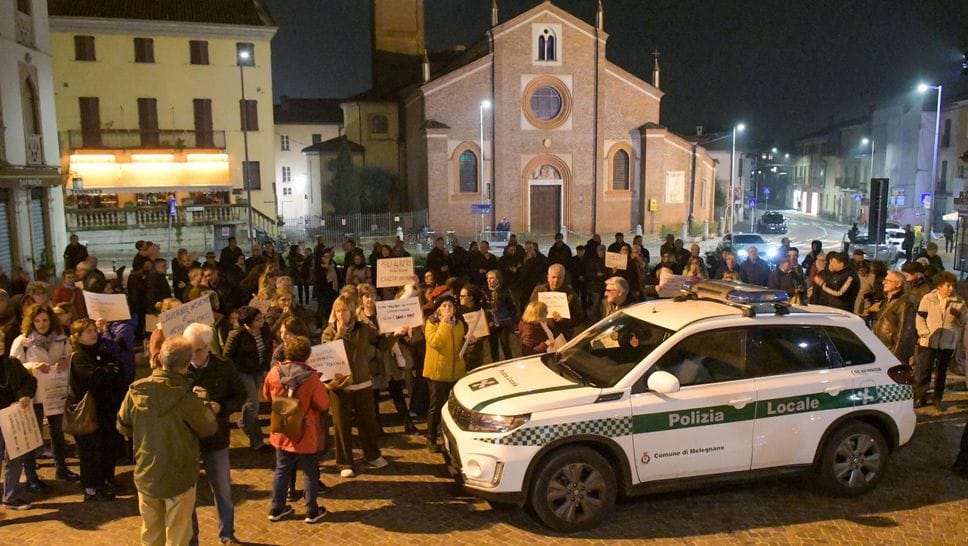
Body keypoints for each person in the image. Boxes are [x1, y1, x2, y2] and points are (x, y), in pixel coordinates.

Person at [117, 336, 218, 546]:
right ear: (186, 363)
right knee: (179, 535)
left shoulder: (136, 391)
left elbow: (122, 425)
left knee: (151, 533)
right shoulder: (186, 398)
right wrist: (204, 403)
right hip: (179, 473)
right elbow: (209, 428)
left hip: (147, 471)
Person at [184, 323, 246, 545]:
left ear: (208, 347)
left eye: (198, 350)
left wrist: (222, 407)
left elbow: (241, 394)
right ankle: (192, 538)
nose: (193, 355)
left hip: (216, 437)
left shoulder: (223, 366)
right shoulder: (179, 368)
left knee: (222, 488)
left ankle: (226, 532)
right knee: (187, 493)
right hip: (187, 439)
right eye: (189, 349)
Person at [263, 335, 331, 524]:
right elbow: (323, 404)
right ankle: (311, 510)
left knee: (281, 468)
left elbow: (266, 394)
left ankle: (277, 508)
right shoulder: (311, 378)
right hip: (305, 431)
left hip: (282, 426)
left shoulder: (274, 372)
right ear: (307, 355)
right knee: (309, 470)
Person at [10, 304, 77, 490]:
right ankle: (32, 476)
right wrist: (33, 366)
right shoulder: (22, 341)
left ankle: (61, 468)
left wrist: (65, 360)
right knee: (34, 435)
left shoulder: (61, 339)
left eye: (45, 320)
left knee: (57, 432)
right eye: (37, 320)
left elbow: (71, 356)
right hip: (35, 396)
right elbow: (14, 366)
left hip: (55, 394)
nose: (41, 324)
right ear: (31, 322)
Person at [321, 296, 388, 477]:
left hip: (363, 383)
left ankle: (372, 455)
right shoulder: (329, 332)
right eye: (337, 311)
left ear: (352, 312)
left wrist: (395, 334)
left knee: (368, 423)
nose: (341, 314)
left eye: (344, 310)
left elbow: (381, 344)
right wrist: (339, 335)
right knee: (342, 426)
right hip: (340, 387)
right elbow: (328, 355)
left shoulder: (364, 329)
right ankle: (344, 462)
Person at [67, 318, 125, 502]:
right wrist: (107, 371)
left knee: (107, 446)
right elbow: (92, 377)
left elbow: (118, 370)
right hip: (89, 413)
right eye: (88, 331)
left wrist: (107, 371)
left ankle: (106, 479)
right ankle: (91, 488)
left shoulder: (103, 351)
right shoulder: (79, 357)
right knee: (90, 451)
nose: (93, 333)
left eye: (94, 330)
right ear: (78, 336)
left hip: (107, 410)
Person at [223, 306, 273, 451]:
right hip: (242, 372)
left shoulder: (264, 329)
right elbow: (226, 356)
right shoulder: (236, 334)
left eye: (261, 317)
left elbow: (268, 347)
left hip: (258, 370)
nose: (262, 321)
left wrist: (265, 367)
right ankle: (257, 441)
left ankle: (244, 422)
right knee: (253, 404)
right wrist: (233, 375)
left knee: (251, 404)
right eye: (258, 319)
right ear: (248, 322)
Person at [424, 294, 470, 453]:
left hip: (455, 371)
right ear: (438, 309)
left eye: (450, 306)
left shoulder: (458, 324)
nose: (448, 308)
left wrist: (468, 342)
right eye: (444, 306)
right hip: (437, 372)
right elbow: (435, 343)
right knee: (436, 407)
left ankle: (447, 437)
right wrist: (444, 324)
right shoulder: (432, 323)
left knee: (452, 407)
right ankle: (430, 437)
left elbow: (459, 345)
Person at [914, 271, 964, 410]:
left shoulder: (959, 301)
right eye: (948, 285)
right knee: (924, 369)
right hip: (929, 339)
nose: (951, 288)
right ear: (939, 285)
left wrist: (959, 315)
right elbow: (920, 317)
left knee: (942, 371)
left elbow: (964, 320)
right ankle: (920, 396)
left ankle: (937, 398)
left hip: (948, 341)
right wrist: (924, 332)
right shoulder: (928, 298)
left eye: (953, 286)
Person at [0, 327, 37, 510]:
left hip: (11, 417)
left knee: (14, 457)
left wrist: (24, 395)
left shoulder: (12, 363)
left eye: (1, 341)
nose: (0, 345)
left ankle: (11, 496)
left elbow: (29, 381)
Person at [529, 263, 582, 339]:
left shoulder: (571, 294)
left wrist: (564, 320)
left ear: (563, 278)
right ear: (548, 277)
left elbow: (579, 318)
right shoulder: (539, 290)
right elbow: (529, 309)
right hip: (542, 334)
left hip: (563, 334)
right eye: (553, 277)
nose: (556, 280)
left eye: (559, 277)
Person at [870, 271, 911, 362]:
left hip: (891, 352)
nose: (883, 282)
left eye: (888, 280)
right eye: (885, 280)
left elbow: (903, 332)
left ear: (898, 284)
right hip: (882, 349)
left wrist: (895, 355)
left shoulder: (904, 302)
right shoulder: (887, 300)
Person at [484, 270, 516, 362]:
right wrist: (487, 320)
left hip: (503, 322)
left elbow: (512, 307)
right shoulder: (485, 292)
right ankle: (495, 364)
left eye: (492, 278)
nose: (489, 280)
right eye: (488, 278)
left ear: (498, 279)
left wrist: (513, 321)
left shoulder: (505, 291)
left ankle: (509, 363)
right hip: (491, 324)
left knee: (506, 345)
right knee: (493, 346)